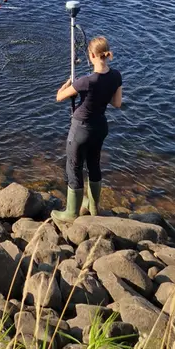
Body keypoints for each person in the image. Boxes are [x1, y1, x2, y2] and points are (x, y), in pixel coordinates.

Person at [51, 36, 123, 223]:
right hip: (100, 127)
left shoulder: (85, 81)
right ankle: (93, 207)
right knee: (94, 165)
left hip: (81, 129)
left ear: (91, 55)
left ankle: (71, 213)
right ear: (106, 55)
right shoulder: (116, 76)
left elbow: (59, 97)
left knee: (73, 167)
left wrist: (69, 82)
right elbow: (117, 103)